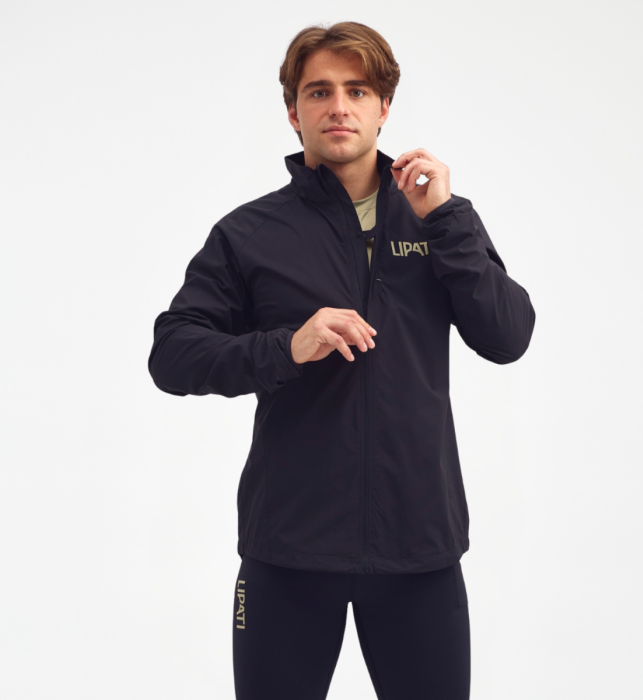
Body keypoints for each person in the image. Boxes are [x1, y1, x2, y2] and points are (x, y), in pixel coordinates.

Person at [148, 20, 536, 700]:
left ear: (384, 107)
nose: (338, 107)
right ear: (292, 112)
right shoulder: (248, 233)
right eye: (319, 91)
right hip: (288, 547)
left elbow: (508, 337)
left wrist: (445, 222)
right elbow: (174, 354)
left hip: (419, 545)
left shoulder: (442, 219)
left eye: (357, 91)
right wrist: (287, 345)